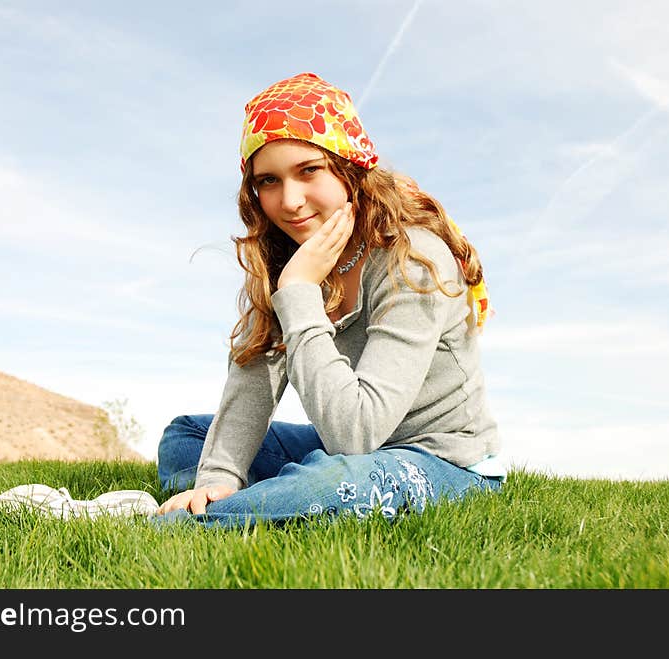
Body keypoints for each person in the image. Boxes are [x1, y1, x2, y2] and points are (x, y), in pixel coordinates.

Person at [152, 72, 505, 529]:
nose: (291, 201)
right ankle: (245, 505)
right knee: (187, 438)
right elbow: (252, 385)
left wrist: (298, 293)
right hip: (352, 448)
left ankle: (187, 521)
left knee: (333, 480)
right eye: (269, 181)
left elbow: (354, 434)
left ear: (349, 168)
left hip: (442, 459)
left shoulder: (413, 260)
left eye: (308, 171)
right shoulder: (288, 259)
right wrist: (218, 478)